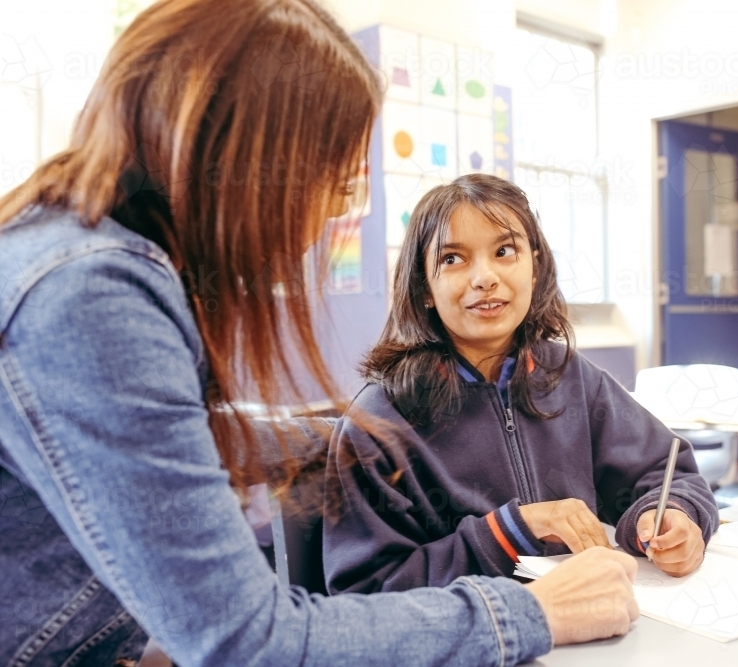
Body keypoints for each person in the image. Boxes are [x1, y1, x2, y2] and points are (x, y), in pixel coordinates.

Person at [0, 1, 640, 665]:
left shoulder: (82, 258)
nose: (331, 213)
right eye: (329, 177)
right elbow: (249, 640)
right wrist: (532, 611)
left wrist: (334, 434)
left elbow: (164, 443)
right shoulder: (90, 297)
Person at [323, 174, 719, 595]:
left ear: (535, 268)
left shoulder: (570, 376)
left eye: (505, 250)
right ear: (424, 287)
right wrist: (513, 530)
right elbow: (366, 593)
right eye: (453, 259)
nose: (485, 277)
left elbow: (667, 474)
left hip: (588, 634)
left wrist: (672, 517)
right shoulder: (381, 418)